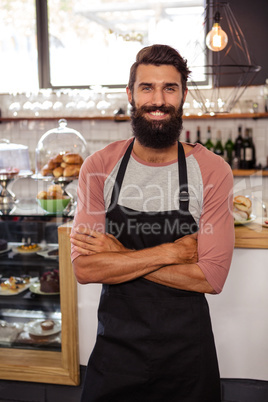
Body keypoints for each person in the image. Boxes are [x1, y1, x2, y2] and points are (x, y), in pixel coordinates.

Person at [70, 44, 235, 402]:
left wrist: (118, 253)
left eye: (169, 88)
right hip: (116, 351)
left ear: (183, 95)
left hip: (187, 356)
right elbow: (85, 268)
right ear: (130, 94)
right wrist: (174, 252)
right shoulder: (99, 166)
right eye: (147, 87)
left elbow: (211, 277)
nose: (157, 100)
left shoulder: (212, 170)